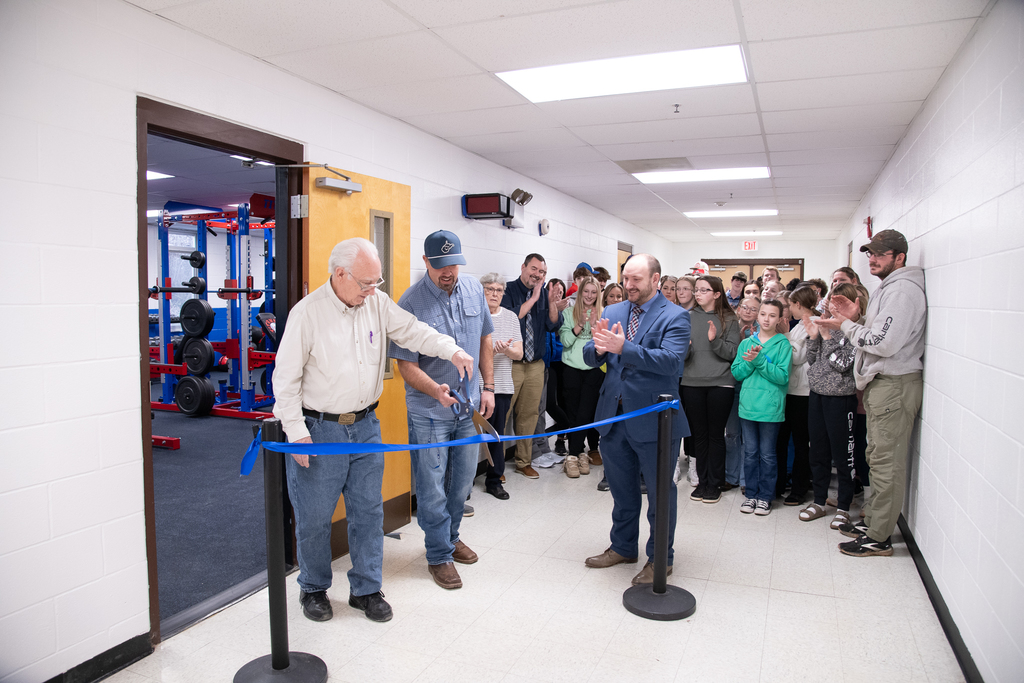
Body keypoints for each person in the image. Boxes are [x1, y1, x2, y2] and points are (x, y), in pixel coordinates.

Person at [274, 237, 475, 623]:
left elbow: (414, 331)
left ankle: (366, 589)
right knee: (315, 516)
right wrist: (296, 433)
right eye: (366, 283)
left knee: (368, 512)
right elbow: (284, 383)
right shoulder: (307, 314)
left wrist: (452, 350)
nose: (372, 290)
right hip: (320, 431)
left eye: (376, 283)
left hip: (366, 426)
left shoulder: (376, 303)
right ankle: (313, 588)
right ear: (340, 274)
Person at [389, 231, 494, 591]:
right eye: (440, 266)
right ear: (426, 263)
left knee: (462, 481)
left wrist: (489, 387)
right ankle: (437, 555)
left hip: (468, 408)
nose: (448, 272)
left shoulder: (473, 290)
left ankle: (450, 538)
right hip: (429, 411)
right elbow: (404, 365)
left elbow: (484, 339)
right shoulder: (410, 303)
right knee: (432, 486)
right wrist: (436, 390)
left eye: (453, 264)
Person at [582, 254, 690, 585]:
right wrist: (600, 349)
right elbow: (590, 354)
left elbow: (671, 363)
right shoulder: (613, 310)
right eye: (625, 278)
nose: (628, 285)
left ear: (656, 280)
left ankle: (661, 559)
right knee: (622, 489)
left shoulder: (676, 317)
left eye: (636, 280)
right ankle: (623, 547)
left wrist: (623, 347)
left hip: (656, 420)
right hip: (613, 417)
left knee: (660, 493)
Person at [819, 230, 926, 557]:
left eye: (880, 254)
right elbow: (880, 331)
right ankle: (876, 522)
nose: (872, 259)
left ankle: (879, 537)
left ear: (900, 257)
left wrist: (847, 326)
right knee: (876, 458)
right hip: (884, 385)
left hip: (895, 385)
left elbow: (884, 342)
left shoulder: (903, 291)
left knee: (885, 463)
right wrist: (857, 318)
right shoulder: (889, 288)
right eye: (869, 254)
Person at [800, 282, 865, 529]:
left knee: (843, 455)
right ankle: (818, 500)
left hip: (841, 398)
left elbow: (842, 364)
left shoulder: (855, 331)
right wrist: (814, 337)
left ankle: (844, 507)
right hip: (817, 395)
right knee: (817, 451)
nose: (830, 308)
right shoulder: (824, 324)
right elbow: (813, 360)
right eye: (830, 303)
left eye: (838, 304)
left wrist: (827, 337)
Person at [502, 253, 568, 478]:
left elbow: (552, 324)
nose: (538, 275)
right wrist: (534, 297)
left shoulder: (543, 295)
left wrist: (550, 303)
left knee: (529, 415)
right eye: (534, 269)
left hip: (535, 365)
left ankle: (523, 461)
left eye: (542, 272)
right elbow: (511, 319)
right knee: (503, 415)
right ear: (523, 267)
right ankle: (496, 468)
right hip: (510, 364)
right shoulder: (508, 290)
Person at [680, 276, 740, 504]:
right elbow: (681, 356)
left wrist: (714, 341)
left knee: (716, 435)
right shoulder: (686, 318)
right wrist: (683, 350)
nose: (698, 294)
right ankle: (702, 481)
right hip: (692, 382)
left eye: (704, 290)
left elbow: (733, 352)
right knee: (699, 435)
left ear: (717, 294)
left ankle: (714, 483)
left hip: (720, 383)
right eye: (697, 290)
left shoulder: (729, 318)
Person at [731, 300, 792, 516]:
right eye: (763, 314)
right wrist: (750, 362)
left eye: (772, 315)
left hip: (770, 409)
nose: (767, 319)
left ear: (780, 319)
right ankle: (751, 495)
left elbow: (782, 376)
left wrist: (759, 361)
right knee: (750, 453)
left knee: (767, 454)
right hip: (748, 407)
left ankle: (765, 497)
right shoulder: (746, 343)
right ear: (757, 316)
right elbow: (737, 373)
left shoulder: (783, 344)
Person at [479, 273, 522, 500]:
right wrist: (488, 350)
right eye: (489, 289)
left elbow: (519, 352)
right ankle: (463, 485)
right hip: (475, 385)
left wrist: (504, 349)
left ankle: (494, 480)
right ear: (481, 291)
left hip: (502, 386)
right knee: (468, 435)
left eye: (498, 290)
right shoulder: (474, 315)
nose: (494, 294)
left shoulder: (511, 317)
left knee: (496, 435)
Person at [559, 276, 605, 478]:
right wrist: (579, 324)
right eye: (586, 291)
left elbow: (605, 343)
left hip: (594, 368)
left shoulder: (604, 313)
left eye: (593, 292)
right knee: (573, 413)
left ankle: (573, 455)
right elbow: (566, 341)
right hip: (571, 368)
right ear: (580, 292)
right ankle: (578, 454)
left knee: (586, 413)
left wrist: (595, 326)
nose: (589, 296)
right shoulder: (569, 312)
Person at [774, 287, 814, 504]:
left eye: (790, 305)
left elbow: (797, 357)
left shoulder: (811, 323)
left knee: (800, 442)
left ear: (799, 304)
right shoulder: (797, 326)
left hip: (803, 393)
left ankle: (799, 489)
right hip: (788, 390)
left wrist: (785, 334)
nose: (787, 309)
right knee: (781, 440)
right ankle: (778, 486)